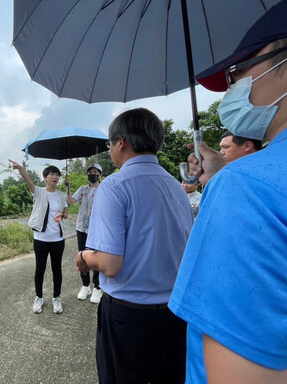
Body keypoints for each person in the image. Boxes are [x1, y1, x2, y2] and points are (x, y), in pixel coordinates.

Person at [169, 2, 287, 382]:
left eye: (237, 72)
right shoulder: (247, 179)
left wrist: (226, 181)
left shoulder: (245, 189)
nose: (233, 88)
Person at [76, 108, 193, 384]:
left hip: (129, 317)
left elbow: (109, 263)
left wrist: (84, 256)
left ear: (122, 143)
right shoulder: (176, 187)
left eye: (110, 144)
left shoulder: (115, 186)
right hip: (175, 315)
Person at [9, 160, 68, 315]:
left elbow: (66, 213)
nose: (55, 177)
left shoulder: (61, 196)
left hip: (57, 240)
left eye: (57, 175)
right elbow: (28, 181)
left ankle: (56, 298)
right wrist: (21, 169)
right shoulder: (39, 192)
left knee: (57, 270)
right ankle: (39, 298)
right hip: (41, 239)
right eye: (51, 174)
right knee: (40, 269)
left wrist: (62, 214)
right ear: (45, 178)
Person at [65, 163, 103, 303]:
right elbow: (70, 201)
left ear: (100, 175)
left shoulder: (104, 189)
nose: (92, 174)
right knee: (82, 257)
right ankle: (85, 285)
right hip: (81, 228)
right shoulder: (82, 189)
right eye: (90, 172)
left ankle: (97, 288)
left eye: (95, 172)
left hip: (97, 229)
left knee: (97, 257)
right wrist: (67, 187)